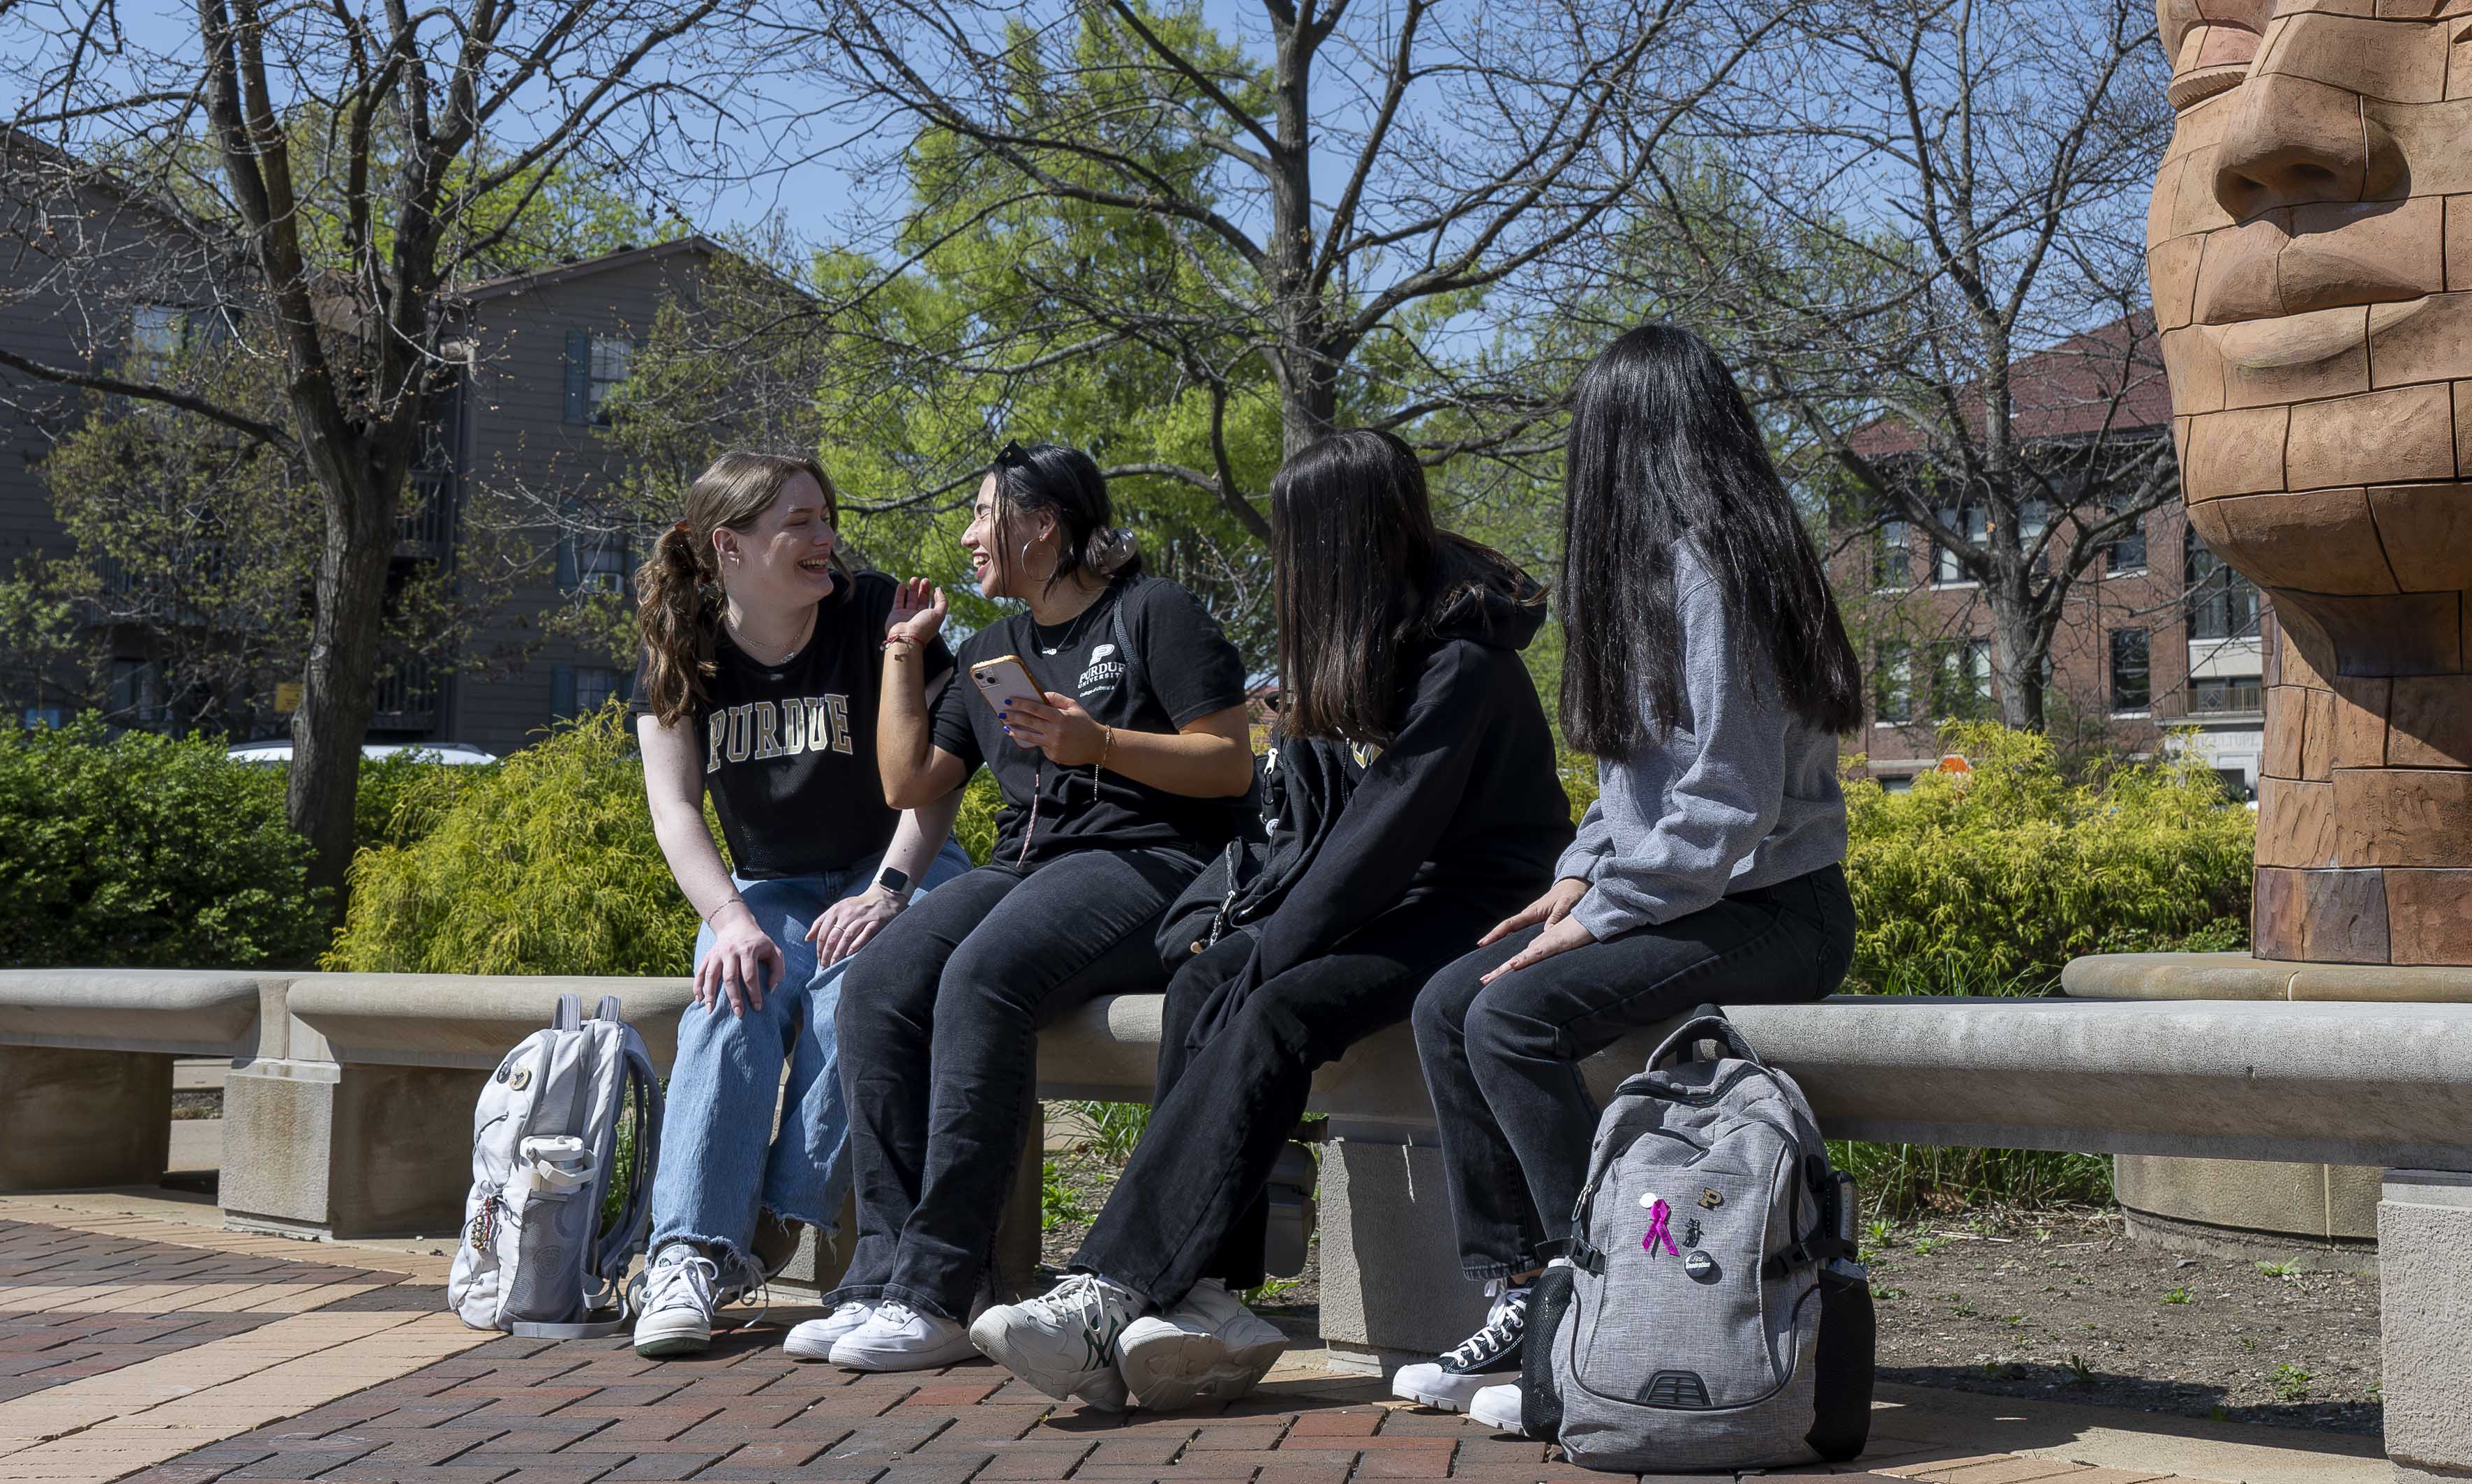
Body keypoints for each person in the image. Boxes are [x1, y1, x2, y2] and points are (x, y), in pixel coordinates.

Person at [973, 429, 1572, 1414]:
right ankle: (1208, 1291)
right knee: (1211, 977)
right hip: (1400, 897)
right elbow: (1328, 827)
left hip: (1478, 904)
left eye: (1296, 536)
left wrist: (1277, 948)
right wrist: (1252, 933)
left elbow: (1384, 839)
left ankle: (1112, 1288)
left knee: (1276, 1005)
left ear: (1339, 539)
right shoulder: (1363, 644)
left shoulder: (1459, 663)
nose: (1286, 563)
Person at [1393, 323, 1864, 1414]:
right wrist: (1577, 876)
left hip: (1778, 909)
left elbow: (1727, 801)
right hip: (1700, 891)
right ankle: (1525, 1290)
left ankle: (1591, 1314)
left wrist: (1607, 912)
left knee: (1511, 1019)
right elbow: (1635, 791)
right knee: (1445, 1002)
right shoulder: (1657, 574)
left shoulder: (1721, 566)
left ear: (1633, 440)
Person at [796, 442, 1257, 1373]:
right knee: (878, 980)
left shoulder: (1152, 613)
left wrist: (1101, 742)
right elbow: (907, 780)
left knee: (984, 974)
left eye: (984, 511)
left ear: (1044, 521)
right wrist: (900, 652)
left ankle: (937, 1287)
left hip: (1151, 860)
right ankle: (885, 1273)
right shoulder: (988, 649)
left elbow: (1230, 760)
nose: (969, 535)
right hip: (1027, 868)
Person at [625, 452, 966, 1361]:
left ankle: (776, 1215)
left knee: (861, 991)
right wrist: (730, 917)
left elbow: (942, 772)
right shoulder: (683, 646)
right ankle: (688, 1252)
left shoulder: (874, 612)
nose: (826, 540)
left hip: (898, 859)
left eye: (827, 517)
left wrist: (888, 890)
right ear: (728, 546)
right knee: (729, 992)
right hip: (770, 884)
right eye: (800, 523)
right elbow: (675, 807)